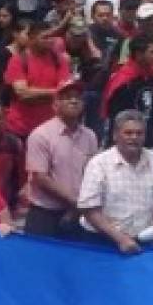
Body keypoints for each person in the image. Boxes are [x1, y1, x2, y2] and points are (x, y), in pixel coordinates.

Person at [77, 110, 153, 254]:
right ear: (115, 135)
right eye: (128, 133)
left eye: (139, 133)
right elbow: (90, 210)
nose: (134, 137)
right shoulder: (98, 164)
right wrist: (120, 239)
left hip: (145, 241)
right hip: (102, 241)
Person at [25, 81, 98, 239]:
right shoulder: (40, 135)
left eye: (78, 97)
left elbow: (92, 173)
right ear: (55, 105)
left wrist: (80, 205)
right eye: (67, 97)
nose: (74, 101)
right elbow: (41, 178)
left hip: (79, 214)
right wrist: (75, 201)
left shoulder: (90, 136)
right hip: (45, 215)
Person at [4, 18, 71, 139]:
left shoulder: (60, 60)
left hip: (49, 129)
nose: (50, 41)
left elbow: (65, 92)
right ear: (32, 38)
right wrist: (54, 92)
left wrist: (36, 94)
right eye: (45, 37)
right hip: (20, 128)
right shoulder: (18, 60)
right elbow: (23, 93)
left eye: (52, 37)